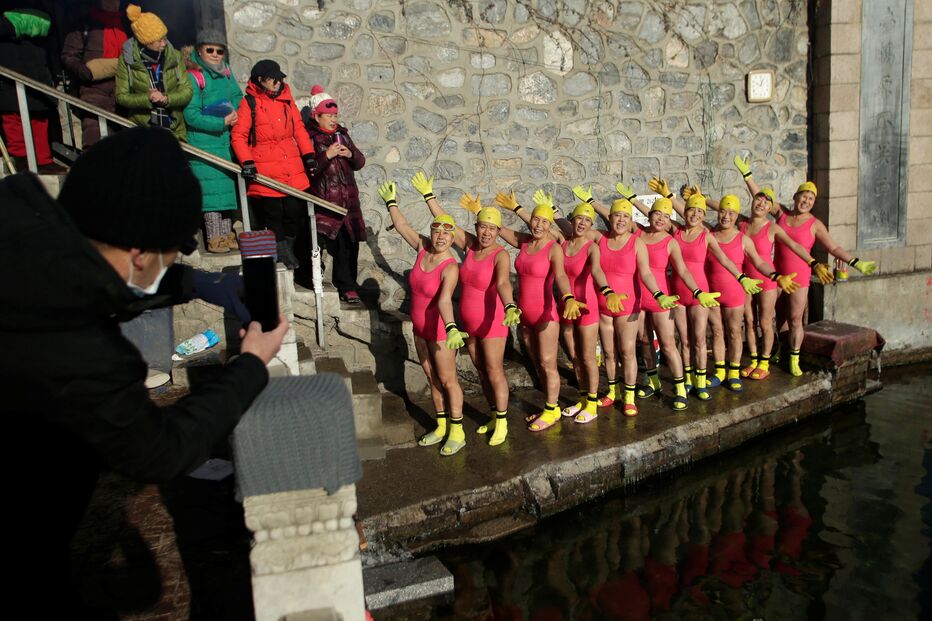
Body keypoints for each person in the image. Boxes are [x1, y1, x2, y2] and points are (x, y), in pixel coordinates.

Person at [0, 127, 289, 616]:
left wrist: (194, 281)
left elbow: (97, 277)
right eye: (174, 253)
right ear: (140, 251)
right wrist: (249, 366)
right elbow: (160, 451)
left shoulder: (25, 239)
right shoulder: (76, 345)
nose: (173, 260)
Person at [732, 155, 876, 375]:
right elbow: (760, 199)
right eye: (803, 196)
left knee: (796, 318)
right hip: (775, 274)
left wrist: (855, 262)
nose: (806, 201)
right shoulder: (781, 214)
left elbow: (834, 248)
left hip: (799, 276)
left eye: (810, 198)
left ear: (813, 202)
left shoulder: (814, 224)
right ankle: (780, 349)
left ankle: (794, 357)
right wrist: (747, 176)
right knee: (776, 318)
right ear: (795, 197)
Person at [684, 183, 833, 380]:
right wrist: (701, 198)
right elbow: (725, 210)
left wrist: (812, 263)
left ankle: (765, 362)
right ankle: (754, 359)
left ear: (771, 206)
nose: (762, 203)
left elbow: (794, 246)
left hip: (767, 279)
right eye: (758, 199)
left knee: (765, 322)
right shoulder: (743, 223)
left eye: (767, 201)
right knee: (749, 321)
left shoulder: (773, 227)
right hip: (745, 280)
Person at [413, 173, 518, 447]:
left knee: (495, 370)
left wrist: (509, 305)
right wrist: (429, 197)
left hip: (493, 321)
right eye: (482, 227)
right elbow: (446, 223)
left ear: (498, 232)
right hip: (470, 323)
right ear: (477, 227)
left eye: (491, 229)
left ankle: (504, 421)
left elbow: (504, 282)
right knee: (480, 370)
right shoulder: (471, 246)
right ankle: (494, 414)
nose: (486, 233)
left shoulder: (501, 254)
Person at [377, 180, 468, 456]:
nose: (440, 237)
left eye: (446, 233)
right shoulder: (422, 248)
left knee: (448, 379)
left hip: (441, 330)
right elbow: (403, 226)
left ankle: (458, 430)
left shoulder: (450, 267)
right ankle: (441, 425)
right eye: (436, 231)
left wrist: (452, 327)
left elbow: (443, 300)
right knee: (431, 378)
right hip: (419, 328)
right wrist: (391, 203)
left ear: (453, 238)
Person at [492, 189, 585, 431]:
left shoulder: (553, 248)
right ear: (530, 220)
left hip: (546, 315)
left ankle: (551, 410)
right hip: (524, 316)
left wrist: (568, 297)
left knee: (547, 362)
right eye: (536, 219)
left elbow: (562, 275)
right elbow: (497, 230)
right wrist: (484, 214)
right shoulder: (524, 242)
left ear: (549, 225)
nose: (539, 225)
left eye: (545, 221)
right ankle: (550, 406)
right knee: (537, 362)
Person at [231, 59, 316, 271]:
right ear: (260, 81)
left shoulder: (287, 101)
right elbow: (239, 136)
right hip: (265, 169)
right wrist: (247, 162)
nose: (278, 82)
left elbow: (298, 129)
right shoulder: (249, 103)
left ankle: (288, 250)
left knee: (294, 211)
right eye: (273, 79)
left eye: (279, 79)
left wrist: (309, 156)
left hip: (291, 166)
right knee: (273, 215)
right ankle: (281, 253)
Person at [304, 84, 366, 303]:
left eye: (335, 115)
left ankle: (349, 287)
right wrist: (327, 155)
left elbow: (360, 162)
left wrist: (350, 153)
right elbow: (309, 171)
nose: (333, 119)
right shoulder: (310, 138)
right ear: (316, 116)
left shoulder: (343, 135)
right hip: (326, 203)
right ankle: (320, 280)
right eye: (328, 115)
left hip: (349, 202)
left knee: (351, 245)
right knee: (331, 245)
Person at [183, 28, 243, 254]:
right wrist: (221, 122)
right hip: (204, 145)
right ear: (200, 51)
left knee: (226, 194)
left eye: (220, 50)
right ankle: (214, 236)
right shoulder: (194, 76)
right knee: (211, 195)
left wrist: (237, 113)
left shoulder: (226, 72)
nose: (216, 54)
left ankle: (226, 235)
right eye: (210, 50)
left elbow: (237, 96)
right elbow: (191, 115)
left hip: (224, 143)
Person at [0, 4, 64, 172]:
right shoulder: (43, 16)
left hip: (11, 76)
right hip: (38, 76)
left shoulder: (5, 21)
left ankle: (23, 160)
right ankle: (42, 160)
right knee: (38, 119)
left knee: (15, 119)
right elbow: (53, 49)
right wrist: (56, 73)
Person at [115, 4, 191, 141]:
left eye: (165, 38)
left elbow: (187, 91)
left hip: (174, 129)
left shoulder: (175, 57)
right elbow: (121, 96)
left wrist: (167, 98)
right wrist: (147, 98)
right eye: (159, 40)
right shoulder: (127, 61)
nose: (164, 43)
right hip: (143, 129)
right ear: (145, 42)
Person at [60, 0, 128, 149]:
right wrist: (85, 72)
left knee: (122, 146)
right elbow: (69, 56)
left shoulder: (127, 23)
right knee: (94, 141)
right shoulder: (85, 23)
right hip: (93, 91)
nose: (113, 3)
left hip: (124, 92)